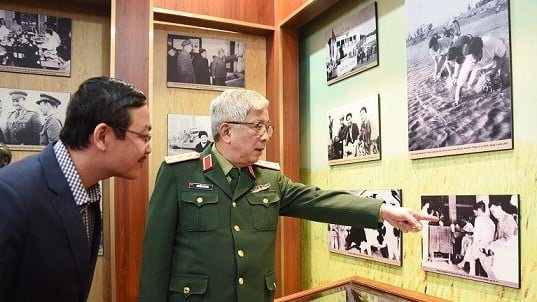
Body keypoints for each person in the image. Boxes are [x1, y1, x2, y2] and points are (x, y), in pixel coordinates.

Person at [138, 89, 438, 302]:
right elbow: (155, 262)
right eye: (257, 126)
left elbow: (319, 200)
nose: (266, 135)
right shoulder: (179, 175)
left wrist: (383, 210)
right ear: (226, 131)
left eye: (267, 126)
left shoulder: (269, 178)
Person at [0, 76, 152, 302]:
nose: (148, 148)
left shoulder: (88, 192)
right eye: (144, 136)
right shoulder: (11, 194)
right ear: (102, 136)